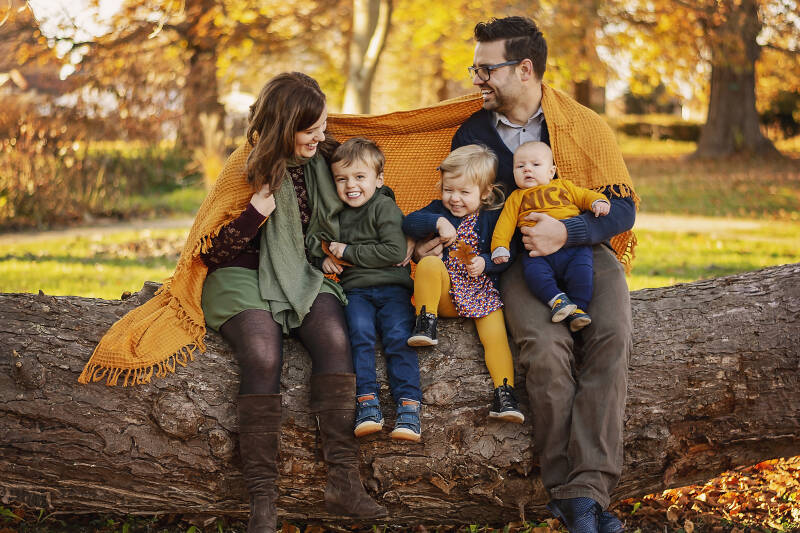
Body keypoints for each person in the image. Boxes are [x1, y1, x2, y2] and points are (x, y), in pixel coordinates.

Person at [81, 72, 387, 533]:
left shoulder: (326, 157)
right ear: (286, 126)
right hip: (240, 273)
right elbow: (209, 250)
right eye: (312, 129)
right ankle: (262, 499)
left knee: (333, 337)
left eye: (323, 125)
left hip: (302, 271)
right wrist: (255, 214)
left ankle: (343, 481)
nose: (322, 135)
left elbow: (372, 184)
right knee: (263, 353)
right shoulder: (245, 165)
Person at [414, 16, 638, 533]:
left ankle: (588, 489)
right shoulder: (472, 132)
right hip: (512, 262)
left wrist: (570, 233)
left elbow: (622, 208)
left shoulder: (580, 126)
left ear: (524, 69)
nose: (477, 79)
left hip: (586, 253)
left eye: (485, 68)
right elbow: (458, 198)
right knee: (544, 349)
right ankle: (573, 494)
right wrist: (432, 230)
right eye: (476, 68)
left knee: (611, 337)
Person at [402, 144, 524, 424]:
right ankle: (426, 320)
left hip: (480, 291)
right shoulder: (438, 210)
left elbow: (508, 252)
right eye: (448, 190)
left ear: (485, 193)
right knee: (430, 264)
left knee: (496, 339)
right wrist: (439, 221)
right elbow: (410, 223)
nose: (454, 198)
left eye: (464, 192)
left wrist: (487, 262)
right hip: (444, 296)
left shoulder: (494, 216)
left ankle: (504, 394)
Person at [321, 137, 423, 442]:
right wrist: (327, 260)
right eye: (341, 179)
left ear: (378, 180)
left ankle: (409, 408)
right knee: (359, 337)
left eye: (359, 177)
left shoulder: (384, 207)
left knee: (397, 339)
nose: (350, 185)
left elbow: (393, 251)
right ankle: (367, 402)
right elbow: (328, 246)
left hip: (392, 290)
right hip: (356, 293)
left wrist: (349, 252)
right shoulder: (338, 213)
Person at [491, 141, 610, 332]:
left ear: (551, 171)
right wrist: (500, 246)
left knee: (583, 274)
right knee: (534, 275)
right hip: (537, 252)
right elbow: (504, 224)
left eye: (535, 165)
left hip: (574, 247)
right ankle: (557, 300)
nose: (527, 169)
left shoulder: (563, 186)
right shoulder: (517, 197)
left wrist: (598, 202)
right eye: (520, 166)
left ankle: (578, 310)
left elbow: (584, 196)